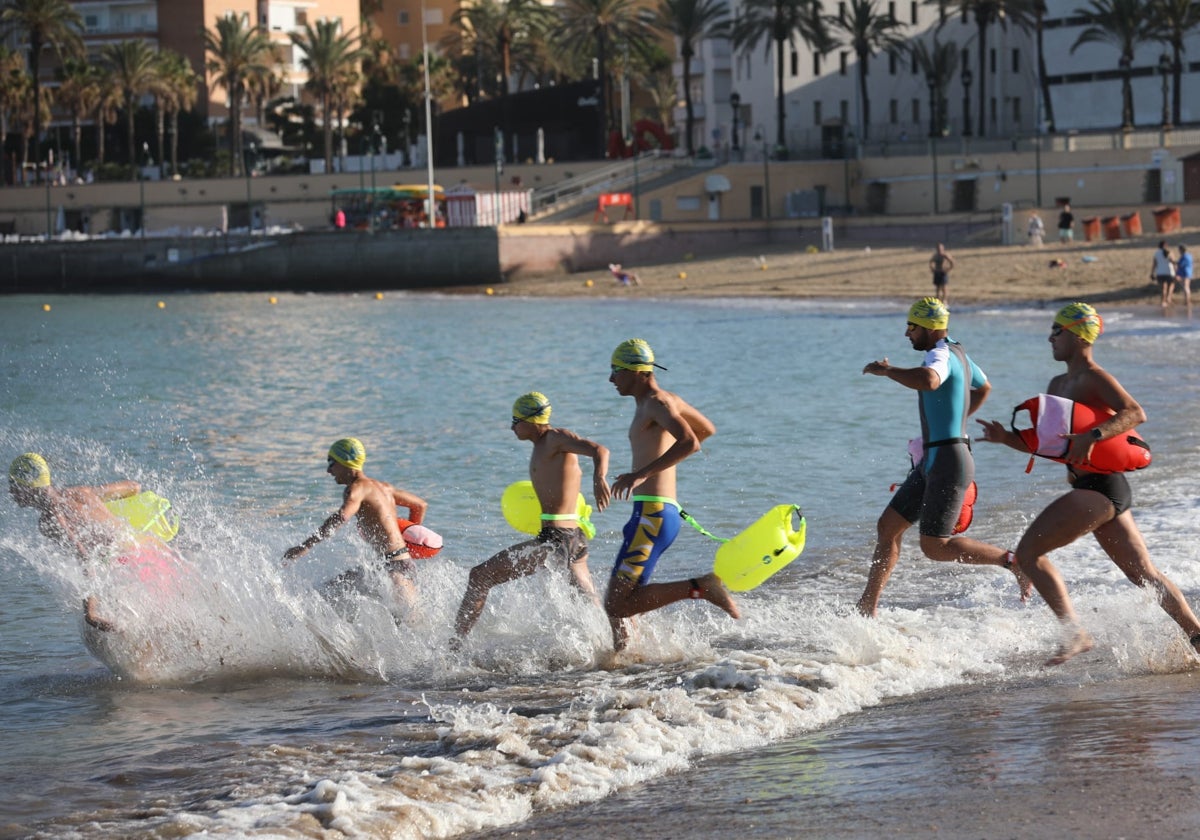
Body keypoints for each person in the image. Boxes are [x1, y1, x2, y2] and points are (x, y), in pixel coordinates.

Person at [976, 302, 1200, 666]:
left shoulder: (1094, 377)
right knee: (1143, 574)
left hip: (1099, 488)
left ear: (1078, 335)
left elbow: (1134, 412)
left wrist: (1094, 434)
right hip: (1098, 490)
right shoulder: (1057, 384)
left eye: (1056, 330)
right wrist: (1007, 439)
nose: (1050, 338)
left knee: (1029, 554)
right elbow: (1051, 445)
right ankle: (1197, 635)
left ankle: (1075, 633)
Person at [857, 298, 1031, 617]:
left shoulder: (938, 353)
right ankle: (867, 606)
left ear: (929, 327)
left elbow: (929, 380)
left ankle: (1013, 561)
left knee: (935, 546)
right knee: (888, 527)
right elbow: (984, 386)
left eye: (912, 327)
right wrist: (958, 419)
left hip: (949, 460)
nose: (907, 333)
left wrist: (888, 371)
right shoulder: (959, 353)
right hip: (936, 458)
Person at [604, 339, 740, 651]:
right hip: (654, 514)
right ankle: (624, 657)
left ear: (639, 372)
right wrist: (663, 458)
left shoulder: (657, 402)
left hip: (652, 515)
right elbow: (706, 429)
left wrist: (642, 474)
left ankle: (702, 587)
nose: (611, 378)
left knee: (616, 603)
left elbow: (691, 441)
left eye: (616, 370)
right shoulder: (662, 402)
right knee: (622, 597)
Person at [452, 393, 610, 647]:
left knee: (480, 576)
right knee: (586, 598)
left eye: (516, 420)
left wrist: (598, 478)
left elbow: (599, 450)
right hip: (569, 537)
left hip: (558, 539)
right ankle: (616, 642)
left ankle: (454, 647)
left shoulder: (556, 438)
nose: (512, 427)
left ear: (532, 420)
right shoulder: (542, 446)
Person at [7, 453, 173, 633]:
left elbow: (85, 557)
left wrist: (90, 614)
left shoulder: (49, 521)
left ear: (28, 488)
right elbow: (134, 487)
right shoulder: (81, 492)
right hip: (148, 555)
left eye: (13, 485)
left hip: (128, 571)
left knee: (140, 629)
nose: (11, 492)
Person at [283, 438, 431, 612]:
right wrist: (408, 537)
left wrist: (304, 547)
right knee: (328, 595)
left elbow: (341, 517)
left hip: (393, 570)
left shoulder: (357, 488)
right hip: (400, 564)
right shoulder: (383, 488)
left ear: (346, 461)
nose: (328, 470)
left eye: (332, 462)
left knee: (321, 600)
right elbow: (419, 505)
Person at [1150, 240, 1176, 307]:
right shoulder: (1170, 252)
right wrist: (1176, 271)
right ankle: (1169, 298)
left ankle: (1163, 302)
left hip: (1160, 273)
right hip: (1169, 272)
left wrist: (1152, 273)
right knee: (1171, 285)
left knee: (1163, 288)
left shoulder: (1156, 253)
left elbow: (1154, 264)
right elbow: (1173, 263)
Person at [1175, 243, 1192, 308]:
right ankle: (1187, 301)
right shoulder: (1189, 256)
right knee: (1186, 287)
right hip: (1188, 272)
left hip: (1185, 273)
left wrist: (1173, 262)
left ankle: (1187, 302)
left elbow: (1180, 265)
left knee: (1186, 287)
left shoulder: (1184, 256)